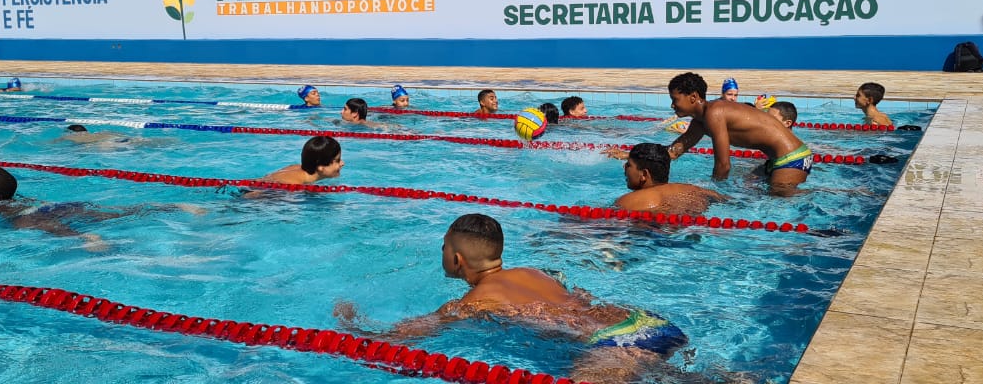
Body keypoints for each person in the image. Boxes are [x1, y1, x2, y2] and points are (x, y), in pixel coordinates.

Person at [333, 214, 689, 384]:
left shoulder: (470, 304)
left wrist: (348, 322)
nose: (441, 252)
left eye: (444, 247)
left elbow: (396, 339)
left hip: (608, 345)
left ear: (457, 259)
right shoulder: (535, 272)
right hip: (644, 322)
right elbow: (577, 294)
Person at [0, 167, 203, 251]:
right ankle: (173, 205)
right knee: (117, 212)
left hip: (26, 218)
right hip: (56, 206)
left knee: (55, 231)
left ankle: (87, 239)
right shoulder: (18, 195)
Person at [607, 73, 811, 196]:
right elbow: (673, 152)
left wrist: (716, 194)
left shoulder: (715, 113)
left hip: (792, 158)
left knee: (778, 202)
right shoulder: (700, 122)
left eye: (675, 99)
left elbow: (723, 165)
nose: (672, 105)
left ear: (693, 97)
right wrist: (630, 156)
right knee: (753, 191)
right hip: (777, 160)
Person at [618, 143, 728, 215]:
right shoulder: (697, 191)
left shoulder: (628, 202)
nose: (624, 167)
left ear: (644, 174)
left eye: (628, 165)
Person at [244, 136, 343, 193]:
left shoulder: (295, 167)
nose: (342, 163)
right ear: (321, 167)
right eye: (338, 160)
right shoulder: (293, 187)